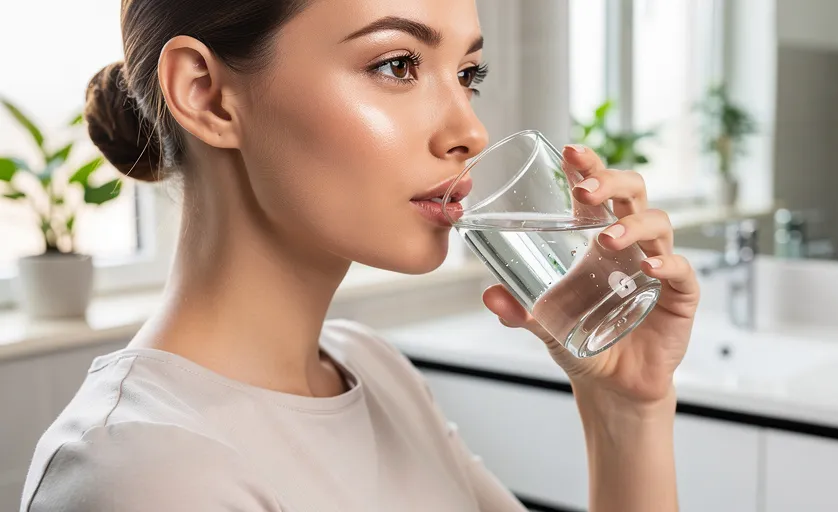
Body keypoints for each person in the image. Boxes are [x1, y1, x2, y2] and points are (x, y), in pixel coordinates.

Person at [20, 1, 699, 511]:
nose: (470, 129)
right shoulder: (141, 471)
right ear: (205, 93)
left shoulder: (373, 370)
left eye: (468, 73)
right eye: (398, 65)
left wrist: (625, 411)